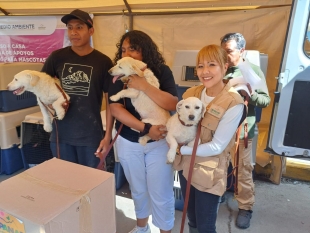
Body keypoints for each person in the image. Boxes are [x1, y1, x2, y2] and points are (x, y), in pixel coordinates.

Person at [108, 30, 178, 233]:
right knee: (137, 189)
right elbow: (115, 108)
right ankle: (142, 228)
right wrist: (146, 129)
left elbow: (173, 102)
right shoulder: (119, 73)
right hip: (129, 141)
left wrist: (144, 86)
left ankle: (165, 230)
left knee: (161, 191)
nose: (126, 53)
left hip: (160, 142)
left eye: (133, 48)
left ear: (144, 50)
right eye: (123, 49)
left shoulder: (161, 71)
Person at [176, 44, 246, 233]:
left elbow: (217, 146)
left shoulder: (233, 102)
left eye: (211, 65)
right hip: (186, 166)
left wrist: (181, 149)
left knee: (206, 226)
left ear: (225, 67)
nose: (204, 71)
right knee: (191, 219)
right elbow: (178, 124)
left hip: (210, 172)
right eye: (200, 66)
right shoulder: (191, 94)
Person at [41, 9, 114, 168]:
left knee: (92, 183)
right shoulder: (56, 57)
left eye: (79, 27)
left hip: (91, 137)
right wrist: (49, 105)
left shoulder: (103, 62)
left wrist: (107, 136)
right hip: (61, 135)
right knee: (66, 183)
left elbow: (111, 102)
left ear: (91, 31)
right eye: (70, 27)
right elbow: (40, 86)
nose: (73, 32)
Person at [220, 32, 270, 229]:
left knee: (243, 171)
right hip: (219, 130)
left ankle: (246, 207)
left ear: (242, 51)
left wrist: (248, 92)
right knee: (218, 166)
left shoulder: (252, 70)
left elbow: (265, 100)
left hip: (242, 131)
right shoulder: (219, 67)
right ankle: (218, 194)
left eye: (229, 51)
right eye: (222, 51)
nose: (225, 55)